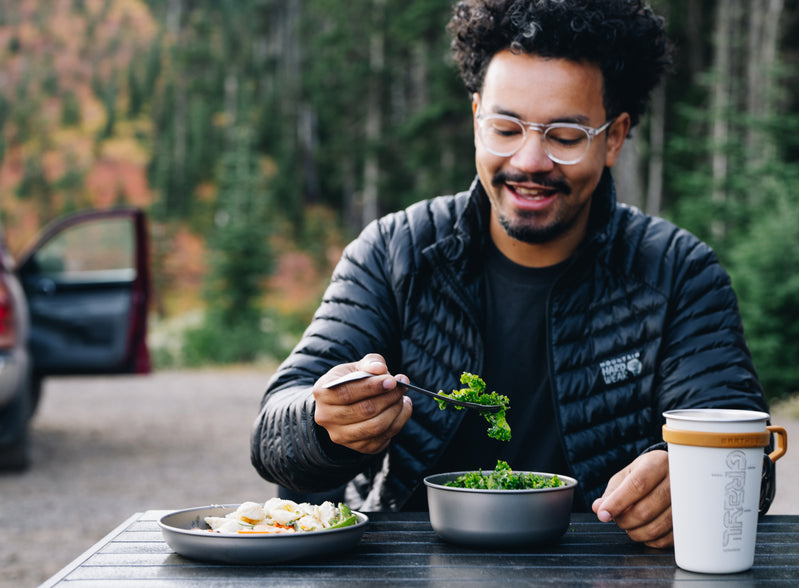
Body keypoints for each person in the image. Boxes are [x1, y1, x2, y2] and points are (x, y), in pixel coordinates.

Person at [251, 0, 772, 549]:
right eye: (505, 127)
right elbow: (274, 434)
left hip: (607, 572)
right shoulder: (393, 252)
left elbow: (748, 453)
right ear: (477, 118)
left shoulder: (679, 273)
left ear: (613, 138)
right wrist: (325, 421)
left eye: (565, 136)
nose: (529, 161)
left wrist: (689, 473)